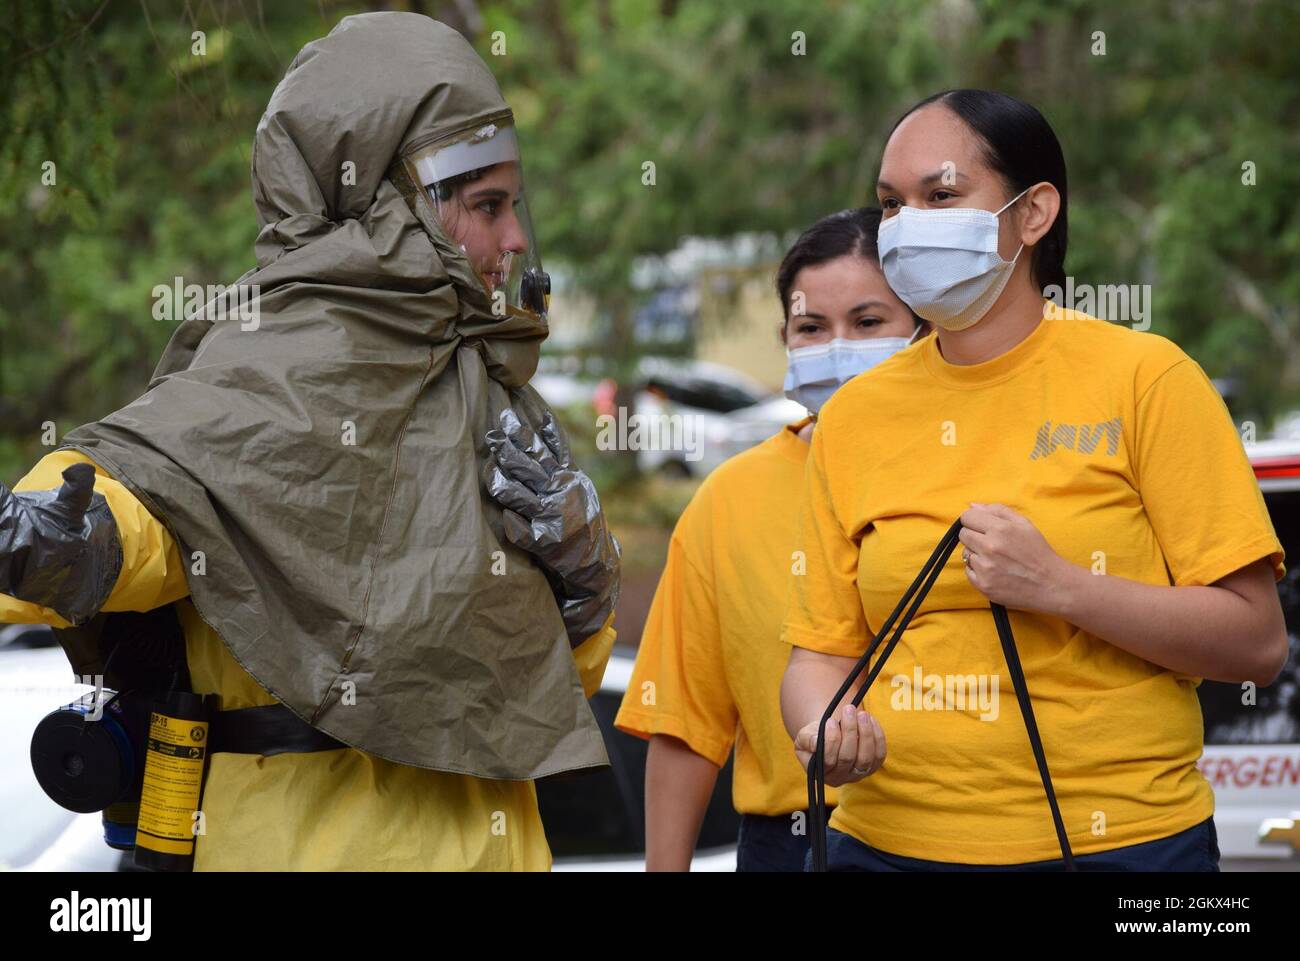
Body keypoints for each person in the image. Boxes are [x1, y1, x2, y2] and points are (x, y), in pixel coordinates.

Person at [0, 12, 620, 872]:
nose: (515, 240)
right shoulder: (265, 371)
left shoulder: (487, 390)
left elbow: (550, 692)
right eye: (488, 205)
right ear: (392, 204)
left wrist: (585, 580)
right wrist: (56, 536)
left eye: (516, 206)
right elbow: (153, 492)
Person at [781, 89, 1288, 872]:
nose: (908, 224)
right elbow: (818, 652)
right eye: (891, 205)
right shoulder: (856, 417)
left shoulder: (1145, 380)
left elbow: (1255, 642)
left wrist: (1063, 587)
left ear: (1034, 213)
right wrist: (826, 726)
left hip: (1121, 845)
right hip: (884, 846)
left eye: (940, 195)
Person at [616, 208, 926, 871]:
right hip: (788, 840)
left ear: (924, 327)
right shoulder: (727, 500)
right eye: (812, 327)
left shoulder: (972, 471)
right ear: (784, 336)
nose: (838, 345)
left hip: (961, 837)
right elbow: (686, 724)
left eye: (869, 323)